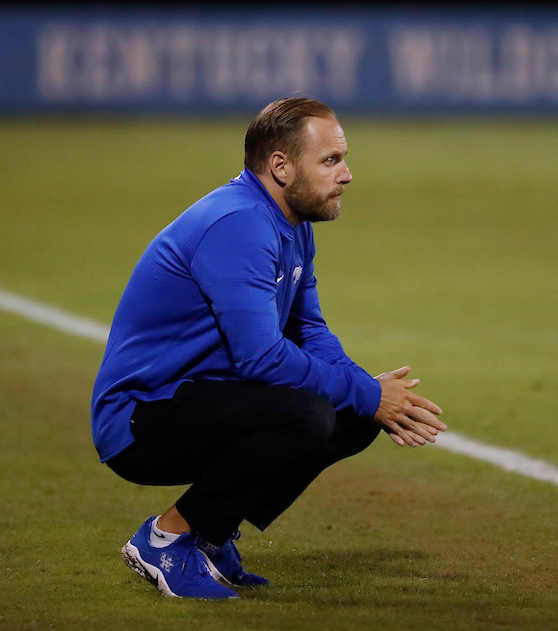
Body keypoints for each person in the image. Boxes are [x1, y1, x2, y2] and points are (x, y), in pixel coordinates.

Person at [91, 96, 446, 600]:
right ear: (280, 165)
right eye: (331, 160)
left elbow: (311, 332)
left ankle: (211, 538)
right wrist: (368, 393)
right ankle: (167, 539)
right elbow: (260, 358)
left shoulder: (288, 225)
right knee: (307, 416)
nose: (346, 175)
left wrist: (369, 393)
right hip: (141, 416)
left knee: (351, 412)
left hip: (203, 400)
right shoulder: (239, 224)